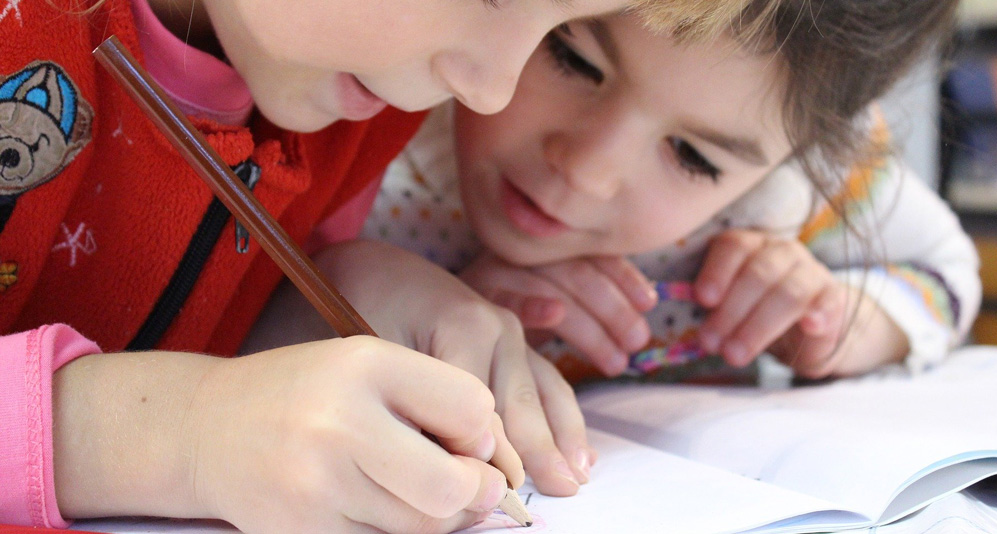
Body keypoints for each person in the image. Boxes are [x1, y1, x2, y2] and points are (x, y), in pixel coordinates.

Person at [0, 0, 759, 532]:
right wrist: (183, 436)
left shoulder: (357, 102)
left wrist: (336, 293)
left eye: (556, 25)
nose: (489, 89)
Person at [332, 0, 981, 385]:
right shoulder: (373, 109)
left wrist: (845, 321)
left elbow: (947, 270)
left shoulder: (799, 188)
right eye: (573, 59)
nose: (587, 172)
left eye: (694, 158)